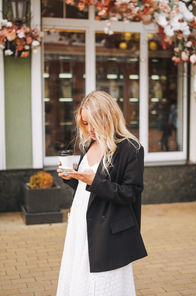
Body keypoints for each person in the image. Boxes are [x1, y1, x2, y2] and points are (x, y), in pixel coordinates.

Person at [56, 90, 148, 296]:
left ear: (107, 117)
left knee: (105, 284)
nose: (89, 130)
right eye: (85, 124)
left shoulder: (131, 148)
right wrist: (72, 178)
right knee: (80, 279)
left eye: (93, 123)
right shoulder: (90, 144)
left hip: (109, 232)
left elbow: (130, 193)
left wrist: (94, 182)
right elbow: (89, 189)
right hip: (82, 224)